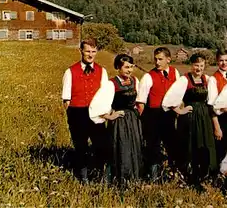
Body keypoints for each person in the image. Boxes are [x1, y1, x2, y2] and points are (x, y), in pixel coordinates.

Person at [162, 53, 218, 190]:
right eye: (196, 65)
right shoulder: (184, 80)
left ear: (204, 66)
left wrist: (215, 124)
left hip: (204, 117)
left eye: (201, 65)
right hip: (189, 118)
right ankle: (189, 177)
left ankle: (205, 177)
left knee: (205, 144)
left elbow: (212, 102)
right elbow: (168, 100)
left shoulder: (209, 80)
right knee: (190, 145)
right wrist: (180, 110)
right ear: (191, 65)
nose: (198, 68)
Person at [89, 54, 143, 185]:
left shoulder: (135, 81)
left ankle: (133, 179)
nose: (129, 70)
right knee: (121, 147)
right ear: (118, 68)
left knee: (134, 147)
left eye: (131, 67)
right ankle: (119, 180)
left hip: (133, 120)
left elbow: (140, 100)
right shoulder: (111, 84)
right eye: (126, 67)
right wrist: (109, 116)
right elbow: (96, 104)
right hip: (119, 121)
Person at [61, 38, 109, 183]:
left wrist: (103, 113)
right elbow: (66, 99)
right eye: (87, 51)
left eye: (93, 52)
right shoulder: (70, 71)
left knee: (100, 145)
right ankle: (83, 177)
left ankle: (99, 175)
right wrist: (72, 116)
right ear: (81, 51)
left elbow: (105, 94)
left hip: (96, 113)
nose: (90, 55)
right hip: (77, 113)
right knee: (80, 146)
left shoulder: (102, 71)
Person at [135, 47, 180, 181]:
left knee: (172, 145)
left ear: (168, 59)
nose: (157, 62)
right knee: (153, 146)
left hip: (169, 115)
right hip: (153, 115)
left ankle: (172, 174)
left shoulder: (175, 72)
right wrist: (145, 120)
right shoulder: (148, 76)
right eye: (155, 59)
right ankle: (152, 176)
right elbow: (141, 102)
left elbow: (177, 93)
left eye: (160, 59)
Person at [208, 49, 227, 162]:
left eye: (226, 60)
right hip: (221, 119)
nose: (224, 63)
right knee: (221, 149)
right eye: (221, 60)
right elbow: (211, 106)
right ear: (217, 61)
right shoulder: (213, 79)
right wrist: (217, 127)